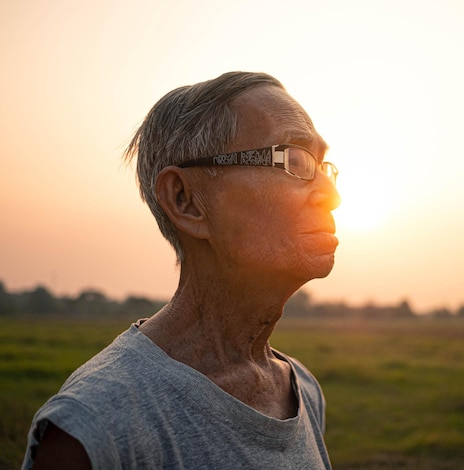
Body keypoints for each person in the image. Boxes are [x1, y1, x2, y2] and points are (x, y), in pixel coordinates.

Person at [22, 71, 340, 469]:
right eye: (294, 160)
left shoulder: (302, 391)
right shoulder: (96, 429)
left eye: (324, 166)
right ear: (186, 201)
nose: (332, 196)